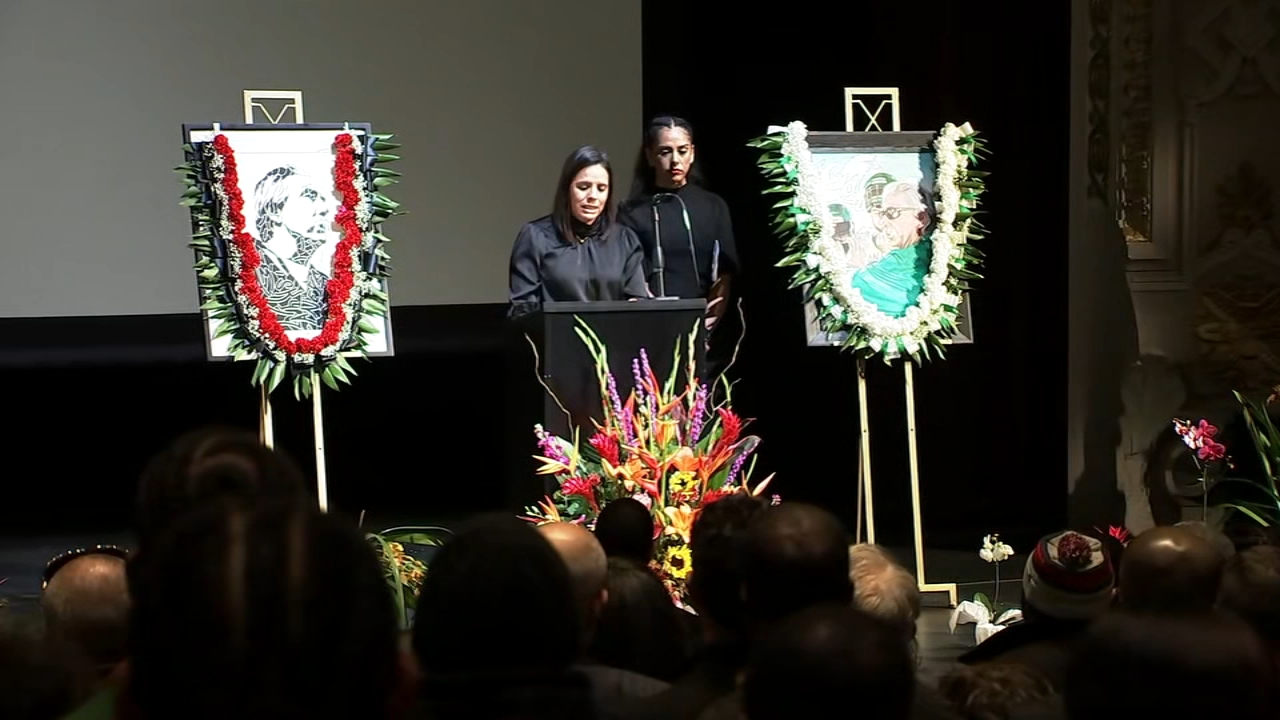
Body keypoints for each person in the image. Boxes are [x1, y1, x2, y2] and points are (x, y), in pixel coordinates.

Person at [619, 116, 740, 382]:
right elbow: (630, 277)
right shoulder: (631, 211)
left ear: (692, 153)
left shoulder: (713, 206)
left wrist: (706, 328)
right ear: (650, 156)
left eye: (682, 151)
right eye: (665, 152)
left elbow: (724, 274)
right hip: (651, 336)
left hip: (707, 340)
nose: (675, 160)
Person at [508, 145, 649, 319]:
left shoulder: (624, 240)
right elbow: (522, 309)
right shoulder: (536, 236)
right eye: (583, 187)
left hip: (611, 342)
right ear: (567, 190)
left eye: (601, 188)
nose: (593, 196)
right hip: (556, 341)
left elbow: (638, 303)